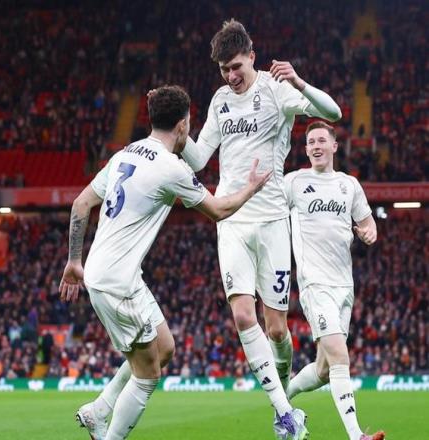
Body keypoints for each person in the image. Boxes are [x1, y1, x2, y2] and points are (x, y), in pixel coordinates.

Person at [58, 85, 277, 440]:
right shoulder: (171, 168)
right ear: (183, 125)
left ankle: (99, 409)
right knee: (148, 376)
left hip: (113, 274)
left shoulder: (124, 154)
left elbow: (80, 204)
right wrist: (251, 187)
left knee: (166, 348)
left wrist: (73, 261)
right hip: (117, 284)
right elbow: (219, 210)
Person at [178, 18, 341, 437]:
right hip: (231, 218)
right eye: (224, 70)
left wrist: (300, 83)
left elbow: (333, 113)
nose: (231, 76)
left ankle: (283, 395)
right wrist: (175, 131)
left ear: (252, 57)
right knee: (241, 313)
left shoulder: (276, 89)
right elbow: (199, 158)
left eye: (237, 66)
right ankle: (284, 412)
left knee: (277, 329)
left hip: (272, 222)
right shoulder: (219, 100)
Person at [284, 121, 385, 440]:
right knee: (340, 356)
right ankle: (357, 435)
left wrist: (369, 233)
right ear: (306, 149)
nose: (315, 146)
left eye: (321, 141)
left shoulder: (349, 185)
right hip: (315, 284)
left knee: (325, 369)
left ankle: (282, 397)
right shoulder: (294, 182)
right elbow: (266, 211)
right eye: (311, 142)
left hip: (344, 285)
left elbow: (368, 223)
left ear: (334, 146)